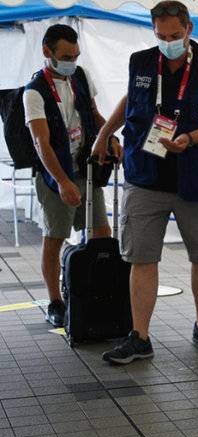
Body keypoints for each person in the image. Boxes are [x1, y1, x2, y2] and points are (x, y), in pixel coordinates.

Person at [92, 0, 198, 364]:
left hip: (196, 176)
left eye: (175, 35)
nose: (168, 42)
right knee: (142, 257)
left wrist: (190, 138)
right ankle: (139, 337)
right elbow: (130, 100)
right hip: (145, 175)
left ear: (189, 29)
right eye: (161, 35)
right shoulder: (142, 62)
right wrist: (104, 133)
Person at [25, 24, 122, 327]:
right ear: (47, 52)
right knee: (55, 237)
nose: (72, 62)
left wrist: (110, 137)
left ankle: (98, 293)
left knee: (101, 234)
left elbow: (93, 114)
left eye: (76, 56)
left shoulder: (81, 76)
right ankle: (55, 302)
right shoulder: (34, 91)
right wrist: (63, 182)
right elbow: (41, 143)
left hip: (86, 169)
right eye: (66, 57)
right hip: (55, 174)